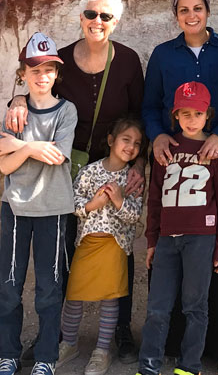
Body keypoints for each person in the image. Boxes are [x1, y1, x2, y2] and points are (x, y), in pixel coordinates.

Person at [5, 0, 145, 364]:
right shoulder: (62, 59)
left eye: (104, 16)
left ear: (115, 22)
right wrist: (17, 98)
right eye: (90, 14)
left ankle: (120, 333)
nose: (96, 22)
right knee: (64, 247)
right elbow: (38, 88)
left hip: (113, 168)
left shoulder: (129, 61)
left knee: (120, 246)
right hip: (65, 169)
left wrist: (139, 166)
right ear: (80, 17)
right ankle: (57, 334)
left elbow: (139, 116)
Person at [142, 0, 218, 373]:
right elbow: (150, 106)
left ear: (208, 10)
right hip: (175, 169)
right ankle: (177, 348)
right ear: (175, 15)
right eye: (183, 10)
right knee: (175, 256)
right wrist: (157, 135)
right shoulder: (162, 55)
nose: (191, 16)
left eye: (197, 9)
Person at [0, 32, 78, 375]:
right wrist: (29, 149)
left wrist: (21, 147)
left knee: (49, 288)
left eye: (48, 70)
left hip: (53, 209)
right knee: (10, 287)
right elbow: (3, 164)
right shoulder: (15, 112)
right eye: (34, 70)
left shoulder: (66, 111)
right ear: (23, 75)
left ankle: (46, 357)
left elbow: (58, 156)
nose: (41, 76)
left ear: (57, 73)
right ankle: (8, 354)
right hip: (16, 207)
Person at [138, 81, 218, 375]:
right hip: (167, 239)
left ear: (209, 115)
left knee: (195, 306)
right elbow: (154, 199)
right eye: (185, 113)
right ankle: (149, 365)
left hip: (201, 240)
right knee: (157, 308)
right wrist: (152, 240)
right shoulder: (166, 148)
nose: (192, 120)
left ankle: (189, 366)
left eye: (198, 114)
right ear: (175, 115)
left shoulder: (216, 152)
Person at [57, 117, 146, 375]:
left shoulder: (132, 179)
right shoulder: (89, 171)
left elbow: (133, 216)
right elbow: (72, 204)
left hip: (115, 246)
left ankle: (102, 350)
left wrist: (119, 200)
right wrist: (90, 206)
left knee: (110, 299)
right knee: (74, 296)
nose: (130, 147)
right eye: (125, 140)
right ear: (111, 141)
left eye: (137, 143)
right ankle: (69, 343)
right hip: (87, 242)